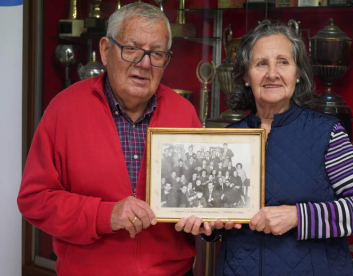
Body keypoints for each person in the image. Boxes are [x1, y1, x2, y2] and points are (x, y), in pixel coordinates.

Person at [17, 3, 210, 276]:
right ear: (106, 51)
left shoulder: (183, 112)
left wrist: (206, 221)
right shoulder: (64, 110)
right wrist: (105, 215)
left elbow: (202, 198)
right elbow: (34, 200)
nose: (144, 63)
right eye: (132, 49)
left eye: (157, 53)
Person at [195, 21, 353, 275]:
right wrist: (210, 226)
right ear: (245, 76)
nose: (272, 73)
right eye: (261, 63)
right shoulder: (229, 139)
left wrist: (298, 216)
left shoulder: (327, 134)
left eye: (283, 62)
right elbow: (219, 214)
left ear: (297, 74)